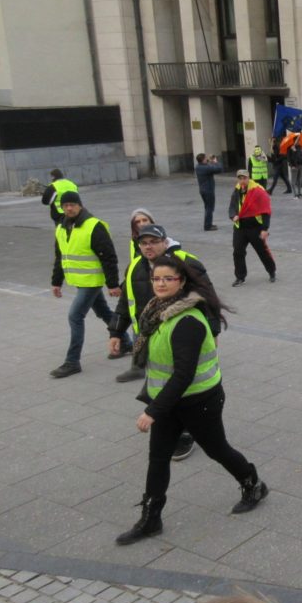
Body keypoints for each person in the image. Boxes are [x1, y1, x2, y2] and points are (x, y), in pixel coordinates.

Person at [116, 256, 268, 546]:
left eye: (167, 279)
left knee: (217, 449)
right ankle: (151, 519)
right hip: (169, 400)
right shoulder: (157, 311)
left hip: (200, 400)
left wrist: (152, 410)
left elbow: (184, 374)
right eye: (156, 279)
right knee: (158, 457)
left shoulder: (187, 320)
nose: (160, 284)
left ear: (181, 282)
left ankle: (253, 484)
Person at [111, 223, 216, 461]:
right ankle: (169, 424)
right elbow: (125, 301)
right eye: (143, 243)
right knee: (160, 382)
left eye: (153, 242)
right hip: (148, 336)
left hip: (179, 333)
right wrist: (116, 332)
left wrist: (214, 331)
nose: (148, 247)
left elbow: (208, 295)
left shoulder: (186, 262)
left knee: (181, 381)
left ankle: (186, 432)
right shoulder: (135, 267)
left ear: (164, 242)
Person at [49, 191, 128, 378]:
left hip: (91, 282)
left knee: (75, 316)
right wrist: (56, 281)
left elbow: (108, 257)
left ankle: (72, 361)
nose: (69, 208)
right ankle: (126, 342)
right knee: (103, 312)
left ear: (80, 205)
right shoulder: (61, 227)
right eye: (65, 205)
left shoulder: (94, 226)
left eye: (72, 204)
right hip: (79, 281)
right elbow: (60, 256)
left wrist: (112, 284)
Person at [229, 170, 276, 286]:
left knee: (262, 252)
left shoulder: (258, 191)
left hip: (255, 228)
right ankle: (240, 277)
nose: (242, 181)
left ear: (248, 178)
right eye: (239, 178)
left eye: (244, 178)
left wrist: (265, 229)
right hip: (240, 227)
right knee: (237, 252)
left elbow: (266, 211)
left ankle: (271, 271)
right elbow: (233, 205)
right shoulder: (237, 190)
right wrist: (233, 215)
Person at [194, 154, 222, 231]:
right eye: (206, 158)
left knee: (207, 207)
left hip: (203, 190)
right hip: (208, 190)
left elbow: (209, 167)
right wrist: (215, 162)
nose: (207, 159)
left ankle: (208, 224)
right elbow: (219, 169)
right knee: (209, 208)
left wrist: (210, 161)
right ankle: (208, 226)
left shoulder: (198, 167)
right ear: (203, 160)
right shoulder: (205, 168)